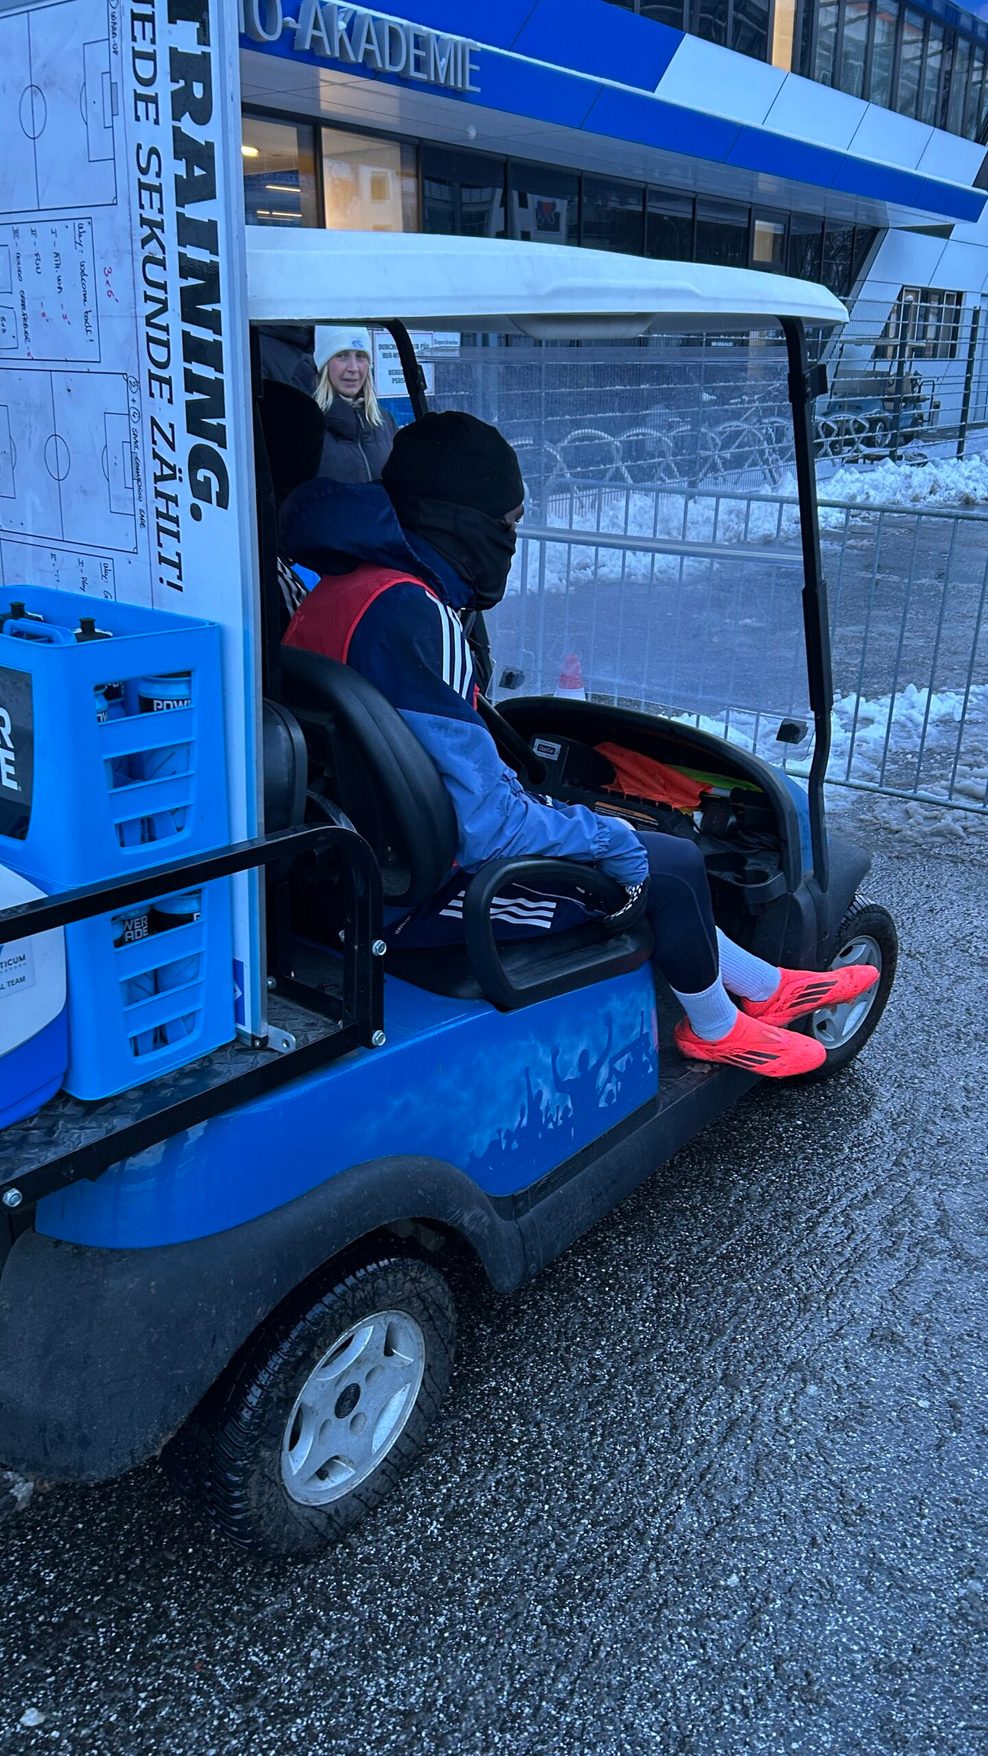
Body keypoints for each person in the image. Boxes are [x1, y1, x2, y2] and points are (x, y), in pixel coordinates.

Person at [281, 412, 878, 1078]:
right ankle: (715, 1027)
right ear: (460, 520)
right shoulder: (417, 613)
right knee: (668, 865)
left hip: (348, 869)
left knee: (642, 850)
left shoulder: (336, 592)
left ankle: (765, 986)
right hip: (419, 897)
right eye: (506, 524)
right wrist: (602, 836)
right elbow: (486, 828)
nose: (511, 539)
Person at [315, 325, 397, 484]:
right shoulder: (308, 425)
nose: (353, 368)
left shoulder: (385, 421)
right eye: (341, 355)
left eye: (360, 356)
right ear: (324, 364)